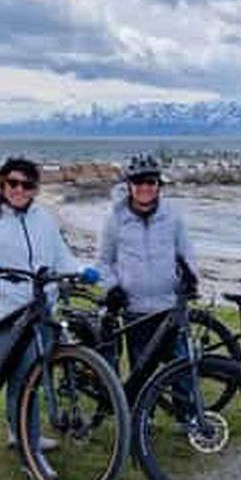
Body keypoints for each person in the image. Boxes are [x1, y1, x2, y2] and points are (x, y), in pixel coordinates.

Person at [0, 156, 97, 455]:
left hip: (38, 308)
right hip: (0, 311)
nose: (19, 189)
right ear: (2, 183)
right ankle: (26, 440)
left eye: (27, 184)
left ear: (35, 189)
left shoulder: (43, 219)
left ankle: (19, 430)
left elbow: (61, 257)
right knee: (24, 369)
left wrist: (82, 270)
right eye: (13, 183)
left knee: (31, 373)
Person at [97, 152, 199, 373]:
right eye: (138, 181)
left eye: (151, 181)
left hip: (171, 309)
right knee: (143, 379)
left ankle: (188, 410)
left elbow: (187, 254)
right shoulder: (116, 220)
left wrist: (191, 277)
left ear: (159, 185)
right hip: (135, 311)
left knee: (183, 375)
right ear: (129, 185)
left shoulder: (173, 217)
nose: (145, 187)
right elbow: (104, 262)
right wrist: (112, 288)